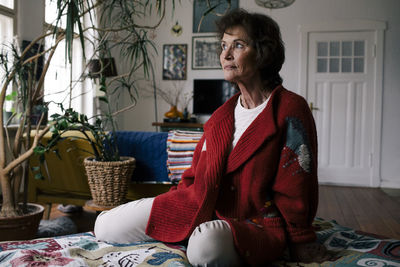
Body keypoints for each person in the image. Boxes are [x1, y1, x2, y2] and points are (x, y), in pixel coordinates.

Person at [94, 8, 328, 266]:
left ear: (263, 52)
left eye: (238, 45)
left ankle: (195, 238)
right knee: (104, 225)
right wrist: (171, 204)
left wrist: (300, 239)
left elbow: (297, 186)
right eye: (223, 46)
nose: (225, 55)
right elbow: (192, 177)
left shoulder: (290, 109)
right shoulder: (219, 118)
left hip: (253, 222)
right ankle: (184, 233)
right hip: (195, 205)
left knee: (205, 247)